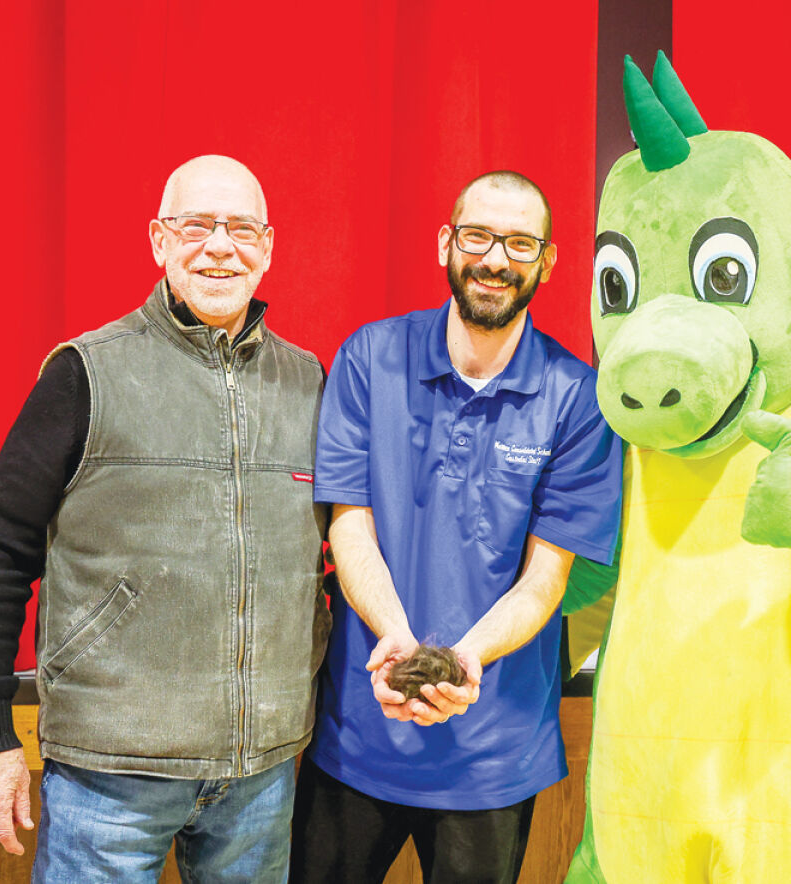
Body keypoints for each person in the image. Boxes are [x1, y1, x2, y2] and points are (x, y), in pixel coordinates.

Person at [0, 155, 330, 883]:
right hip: (109, 776)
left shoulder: (310, 380)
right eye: (197, 225)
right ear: (159, 240)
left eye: (242, 229)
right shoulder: (85, 373)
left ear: (269, 247)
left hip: (262, 776)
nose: (220, 246)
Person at [290, 171, 623, 883]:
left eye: (520, 243)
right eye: (478, 236)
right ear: (447, 242)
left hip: (493, 756)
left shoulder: (578, 401)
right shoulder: (369, 360)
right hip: (357, 736)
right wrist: (395, 641)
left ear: (547, 262)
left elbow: (546, 580)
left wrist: (467, 658)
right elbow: (349, 530)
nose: (496, 259)